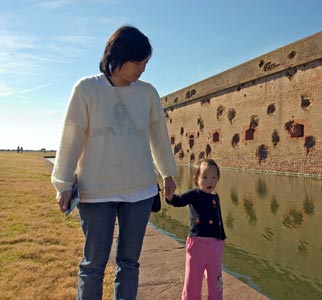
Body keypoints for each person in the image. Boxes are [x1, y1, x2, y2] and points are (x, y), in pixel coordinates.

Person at [51, 25, 177, 300]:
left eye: (146, 63)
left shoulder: (148, 93)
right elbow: (71, 135)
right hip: (96, 192)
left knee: (129, 264)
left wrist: (168, 174)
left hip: (140, 191)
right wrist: (62, 183)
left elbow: (159, 137)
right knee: (93, 265)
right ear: (118, 56)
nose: (142, 69)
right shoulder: (86, 89)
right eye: (138, 62)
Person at [166, 158, 227, 300]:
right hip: (197, 245)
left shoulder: (215, 197)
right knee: (193, 280)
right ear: (196, 179)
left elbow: (219, 219)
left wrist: (222, 238)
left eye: (213, 177)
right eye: (205, 177)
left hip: (215, 245)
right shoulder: (194, 194)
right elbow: (179, 200)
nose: (209, 181)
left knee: (215, 278)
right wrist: (170, 197)